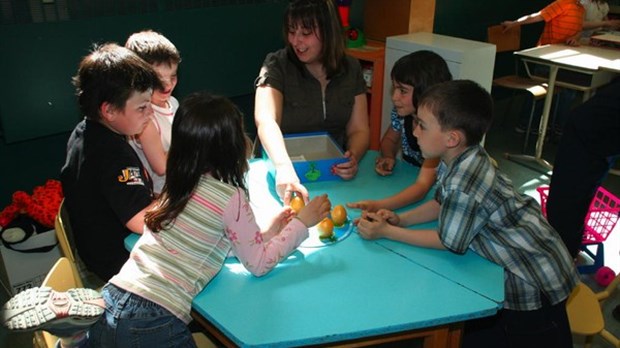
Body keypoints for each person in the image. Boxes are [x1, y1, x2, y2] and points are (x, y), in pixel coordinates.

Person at [3, 92, 332, 347]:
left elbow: (214, 241)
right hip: (155, 320)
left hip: (115, 295)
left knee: (110, 338)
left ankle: (77, 338)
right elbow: (257, 265)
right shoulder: (231, 198)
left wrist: (271, 229)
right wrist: (302, 223)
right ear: (232, 148)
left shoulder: (177, 186)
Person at [356, 80, 580, 348]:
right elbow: (440, 203)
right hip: (529, 261)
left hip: (534, 279)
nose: (414, 131)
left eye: (422, 126)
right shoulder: (459, 157)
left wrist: (388, 232)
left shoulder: (464, 181)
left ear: (452, 138)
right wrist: (402, 219)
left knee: (536, 338)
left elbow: (448, 241)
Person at [60, 43, 161, 282]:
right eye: (142, 107)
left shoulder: (84, 132)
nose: (151, 113)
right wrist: (177, 198)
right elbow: (140, 221)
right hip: (119, 264)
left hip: (94, 253)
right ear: (109, 111)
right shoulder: (113, 154)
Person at [254, 0, 370, 205]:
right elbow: (266, 120)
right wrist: (283, 167)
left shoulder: (350, 68)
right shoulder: (277, 64)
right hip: (285, 170)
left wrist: (353, 158)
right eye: (291, 31)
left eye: (306, 33)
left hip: (331, 173)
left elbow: (359, 130)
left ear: (328, 32)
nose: (296, 41)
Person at [347, 51, 451, 212]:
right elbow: (389, 140)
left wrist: (379, 205)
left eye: (402, 91)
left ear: (425, 92)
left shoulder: (438, 130)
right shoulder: (403, 115)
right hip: (407, 182)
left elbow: (422, 187)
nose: (395, 97)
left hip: (433, 198)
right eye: (395, 88)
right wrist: (388, 156)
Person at [546, 77, 620, 259]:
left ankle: (565, 252)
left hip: (602, 136)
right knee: (567, 201)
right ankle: (561, 258)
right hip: (586, 134)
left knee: (576, 200)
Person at [502, 0, 585, 134]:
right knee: (541, 89)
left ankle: (557, 126)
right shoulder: (562, 3)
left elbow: (579, 30)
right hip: (546, 58)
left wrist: (575, 38)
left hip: (563, 57)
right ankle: (527, 124)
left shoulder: (580, 8)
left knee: (568, 90)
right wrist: (515, 23)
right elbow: (538, 16)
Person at [125, 30, 182, 195]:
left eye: (173, 76)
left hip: (181, 182)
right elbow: (161, 167)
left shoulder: (173, 103)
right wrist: (194, 143)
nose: (167, 86)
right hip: (161, 195)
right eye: (158, 80)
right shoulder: (145, 118)